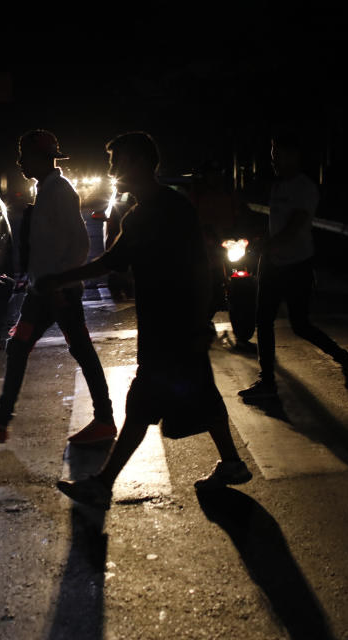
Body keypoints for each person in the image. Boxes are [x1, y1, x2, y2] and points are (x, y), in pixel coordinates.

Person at [40, 131, 252, 511]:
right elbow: (118, 262)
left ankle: (103, 484)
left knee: (142, 404)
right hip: (171, 323)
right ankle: (233, 463)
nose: (111, 170)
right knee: (201, 393)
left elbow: (194, 265)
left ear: (137, 163)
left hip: (172, 326)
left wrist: (59, 278)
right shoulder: (154, 210)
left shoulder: (163, 210)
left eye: (115, 162)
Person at [0, 130, 115, 445]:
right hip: (43, 290)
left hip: (58, 292)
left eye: (24, 156)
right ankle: (1, 422)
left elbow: (79, 244)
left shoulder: (59, 192)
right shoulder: (46, 190)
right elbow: (49, 246)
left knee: (78, 349)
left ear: (40, 158)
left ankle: (104, 419)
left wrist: (60, 284)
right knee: (20, 348)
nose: (19, 162)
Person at [239, 131, 348, 400]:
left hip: (297, 265)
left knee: (300, 325)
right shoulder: (278, 186)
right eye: (272, 155)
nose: (274, 161)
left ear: (295, 156)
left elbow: (294, 228)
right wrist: (264, 246)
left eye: (279, 155)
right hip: (272, 265)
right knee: (263, 321)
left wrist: (266, 246)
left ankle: (346, 359)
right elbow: (276, 225)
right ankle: (267, 381)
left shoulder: (305, 188)